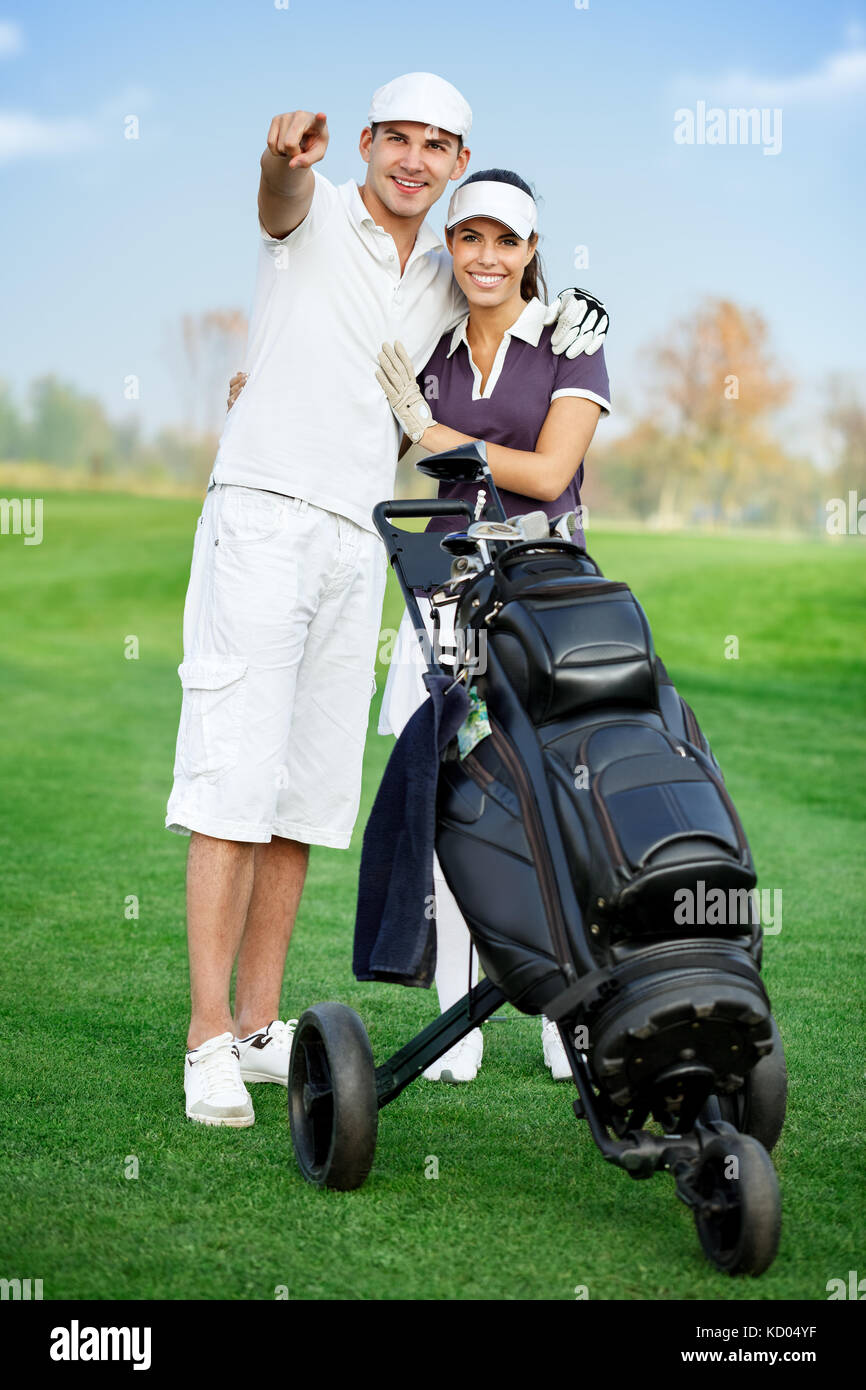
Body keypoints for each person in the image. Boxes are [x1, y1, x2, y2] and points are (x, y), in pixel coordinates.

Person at [171, 72, 610, 1128]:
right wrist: (284, 158)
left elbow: (514, 304)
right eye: (397, 140)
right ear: (363, 142)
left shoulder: (443, 275)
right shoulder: (313, 210)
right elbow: (277, 202)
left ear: (458, 163)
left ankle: (261, 1024)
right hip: (266, 517)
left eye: (436, 145)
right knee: (234, 781)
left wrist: (577, 312)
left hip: (356, 540)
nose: (413, 159)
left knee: (304, 796)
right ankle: (203, 1039)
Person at [374, 169, 611, 1083]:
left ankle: (569, 1014)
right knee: (444, 794)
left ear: (530, 251)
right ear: (453, 243)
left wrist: (430, 436)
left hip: (541, 593)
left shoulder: (571, 342)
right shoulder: (427, 342)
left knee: (551, 794)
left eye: (505, 241)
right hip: (440, 595)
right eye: (469, 237)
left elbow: (551, 475)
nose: (486, 256)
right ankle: (456, 1021)